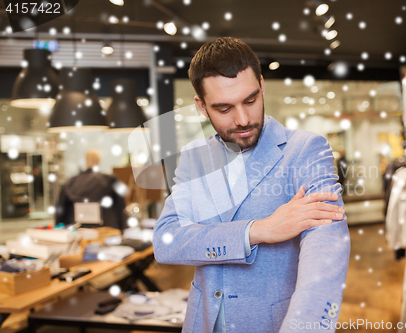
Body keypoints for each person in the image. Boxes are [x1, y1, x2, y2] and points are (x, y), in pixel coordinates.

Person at [153, 37, 350, 333]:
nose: (243, 119)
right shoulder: (195, 158)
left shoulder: (306, 149)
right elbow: (166, 241)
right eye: (224, 108)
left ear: (262, 86)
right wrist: (258, 230)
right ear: (201, 106)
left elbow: (326, 250)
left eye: (250, 100)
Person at [56, 149, 127, 230]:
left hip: (76, 231)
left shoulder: (70, 182)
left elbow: (60, 211)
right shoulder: (110, 180)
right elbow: (121, 207)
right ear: (98, 160)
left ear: (86, 160)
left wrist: (59, 230)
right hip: (105, 231)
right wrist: (122, 230)